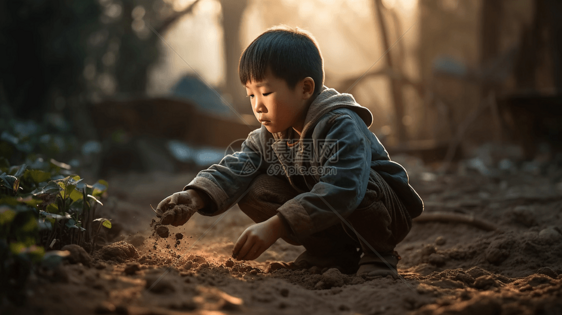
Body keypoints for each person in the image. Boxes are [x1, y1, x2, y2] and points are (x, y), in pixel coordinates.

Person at [156, 25, 424, 278]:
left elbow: (344, 189)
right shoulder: (271, 134)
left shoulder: (341, 123)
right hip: (334, 219)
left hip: (383, 214)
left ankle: (379, 256)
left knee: (357, 181)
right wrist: (195, 196)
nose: (258, 106)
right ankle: (333, 254)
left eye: (266, 92)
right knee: (255, 188)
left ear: (305, 88)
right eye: (251, 95)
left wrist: (277, 225)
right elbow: (238, 165)